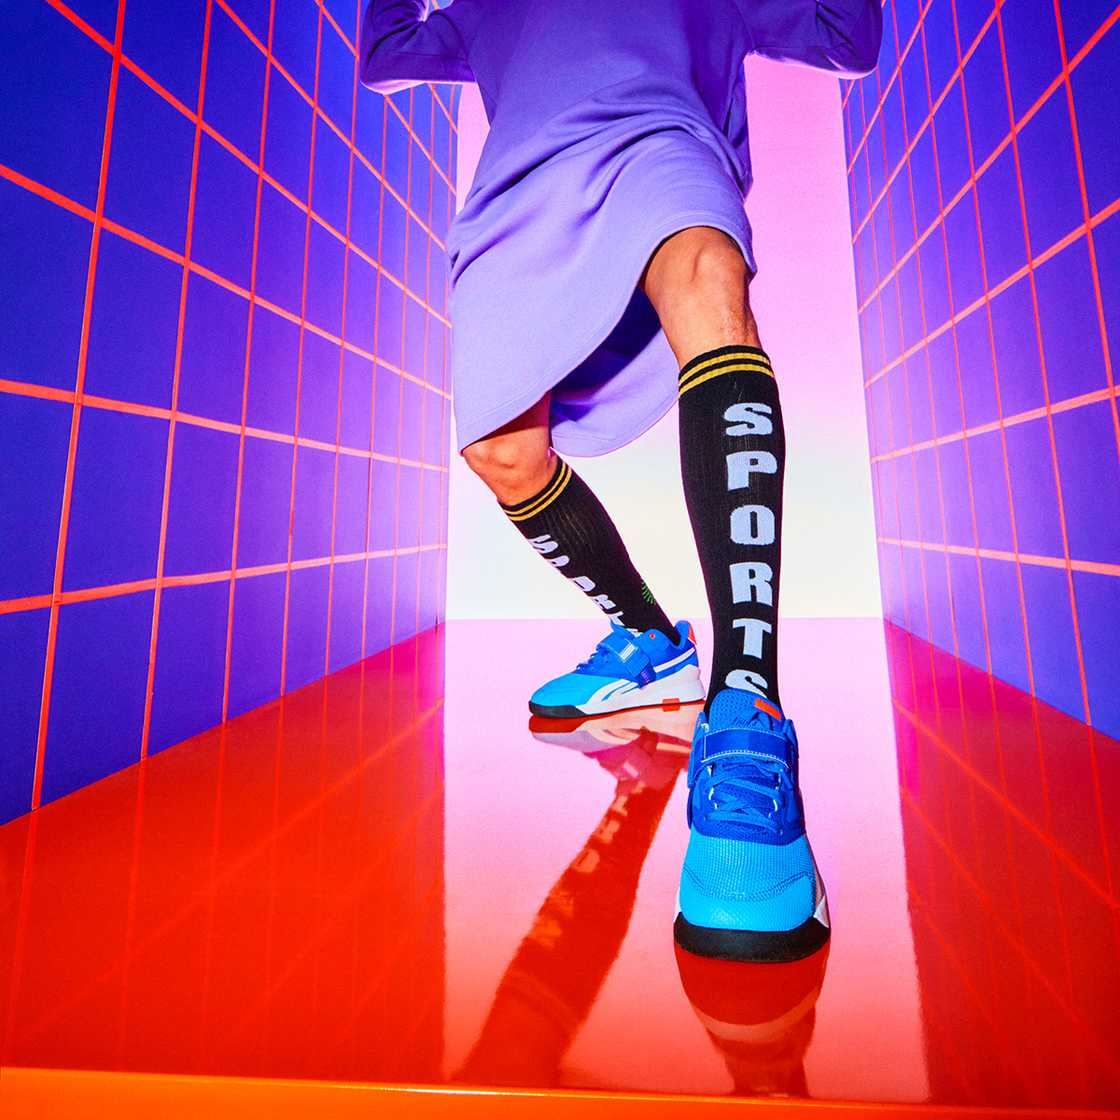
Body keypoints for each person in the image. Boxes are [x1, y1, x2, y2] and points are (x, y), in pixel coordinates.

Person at [360, 0, 881, 963]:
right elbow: (387, 54)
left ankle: (748, 711)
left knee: (707, 271)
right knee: (501, 451)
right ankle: (650, 640)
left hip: (659, 140)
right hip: (517, 193)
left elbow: (847, 38)